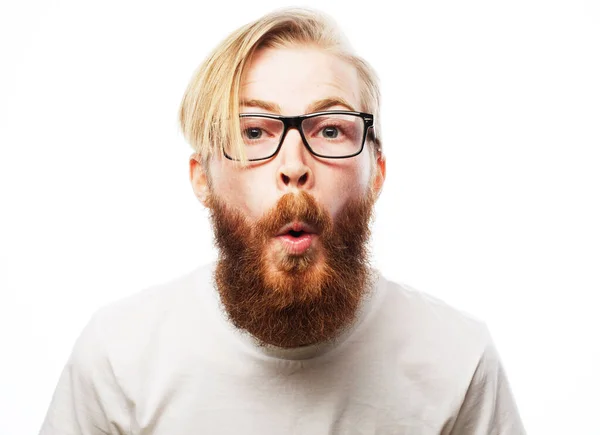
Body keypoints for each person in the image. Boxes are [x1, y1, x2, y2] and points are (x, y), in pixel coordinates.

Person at [39, 7, 525, 434]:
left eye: (331, 129)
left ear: (375, 172)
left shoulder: (458, 362)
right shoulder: (117, 358)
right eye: (253, 131)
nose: (294, 166)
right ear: (202, 178)